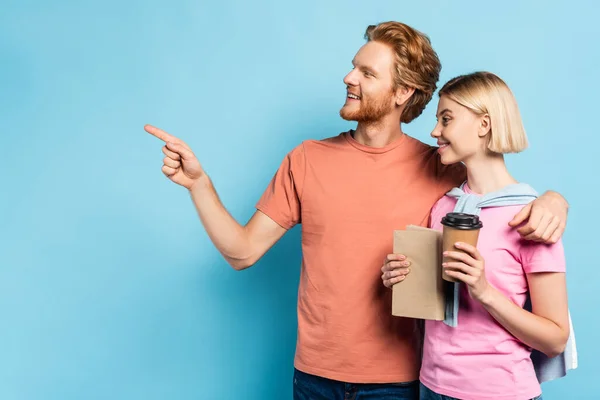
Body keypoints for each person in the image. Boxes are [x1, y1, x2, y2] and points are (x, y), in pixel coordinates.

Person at [145, 22, 569, 400]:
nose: (349, 78)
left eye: (367, 73)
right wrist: (199, 185)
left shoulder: (441, 169)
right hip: (312, 378)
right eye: (353, 67)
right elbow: (242, 252)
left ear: (403, 92)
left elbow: (498, 192)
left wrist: (554, 200)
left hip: (402, 382)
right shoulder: (306, 160)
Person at [382, 72, 569, 400]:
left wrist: (484, 291)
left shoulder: (532, 216)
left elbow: (555, 340)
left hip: (499, 393)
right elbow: (435, 303)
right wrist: (402, 277)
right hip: (431, 387)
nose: (434, 131)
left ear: (484, 124)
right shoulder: (444, 206)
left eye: (446, 119)